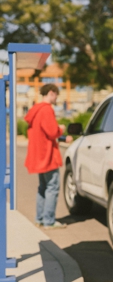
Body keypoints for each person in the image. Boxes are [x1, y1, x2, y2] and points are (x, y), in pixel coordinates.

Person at [24, 83, 73, 229]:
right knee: (52, 187)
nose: (57, 97)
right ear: (51, 93)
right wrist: (61, 129)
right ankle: (49, 221)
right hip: (48, 155)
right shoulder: (46, 110)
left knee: (43, 187)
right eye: (56, 94)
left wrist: (62, 137)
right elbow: (52, 132)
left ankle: (39, 218)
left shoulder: (35, 110)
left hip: (38, 154)